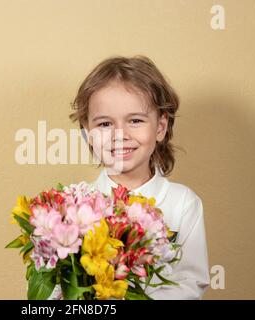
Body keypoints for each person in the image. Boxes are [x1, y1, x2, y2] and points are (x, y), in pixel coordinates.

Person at [49, 55, 209, 300]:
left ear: (160, 127)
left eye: (135, 120)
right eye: (104, 124)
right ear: (87, 132)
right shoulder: (72, 208)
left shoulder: (183, 203)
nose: (119, 135)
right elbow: (54, 289)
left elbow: (190, 283)